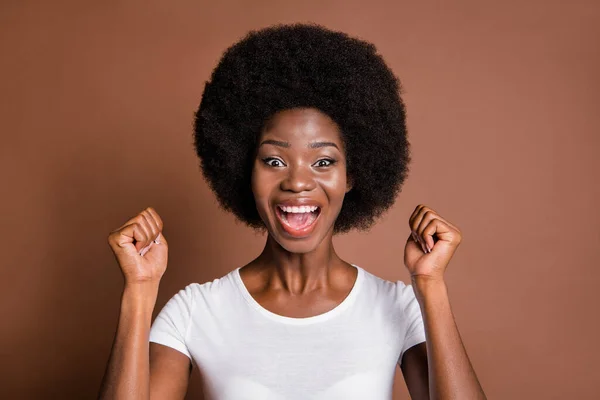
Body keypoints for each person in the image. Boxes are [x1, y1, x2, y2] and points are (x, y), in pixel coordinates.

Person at [98, 23, 486, 400]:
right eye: (274, 160)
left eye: (322, 162)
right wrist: (139, 291)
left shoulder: (399, 306)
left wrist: (430, 286)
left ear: (352, 176)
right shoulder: (196, 310)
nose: (298, 182)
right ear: (244, 171)